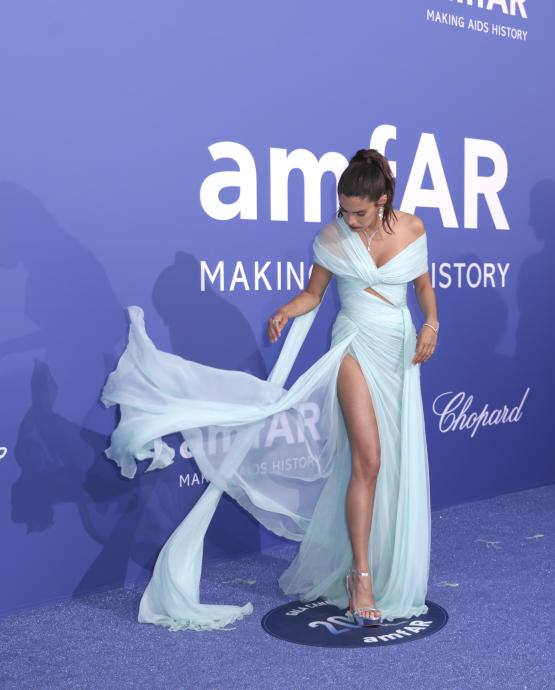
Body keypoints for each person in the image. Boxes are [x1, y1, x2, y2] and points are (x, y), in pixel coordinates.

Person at [102, 149, 439, 628]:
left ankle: (382, 565)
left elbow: (423, 285)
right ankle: (359, 577)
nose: (349, 219)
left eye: (359, 212)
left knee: (394, 464)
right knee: (369, 459)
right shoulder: (332, 237)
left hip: (401, 351)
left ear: (384, 200)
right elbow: (313, 295)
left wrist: (433, 323)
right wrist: (286, 311)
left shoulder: (413, 229)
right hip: (354, 346)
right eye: (343, 210)